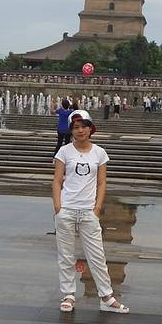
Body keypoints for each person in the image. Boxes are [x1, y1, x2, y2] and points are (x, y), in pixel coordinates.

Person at [52, 110, 129, 313]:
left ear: (90, 128)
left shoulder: (99, 153)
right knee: (66, 255)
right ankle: (68, 295)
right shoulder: (64, 152)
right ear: (71, 130)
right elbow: (57, 180)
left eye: (84, 126)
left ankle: (106, 297)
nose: (80, 130)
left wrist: (97, 208)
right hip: (67, 209)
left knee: (97, 256)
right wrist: (58, 207)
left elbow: (102, 183)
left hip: (88, 212)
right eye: (76, 127)